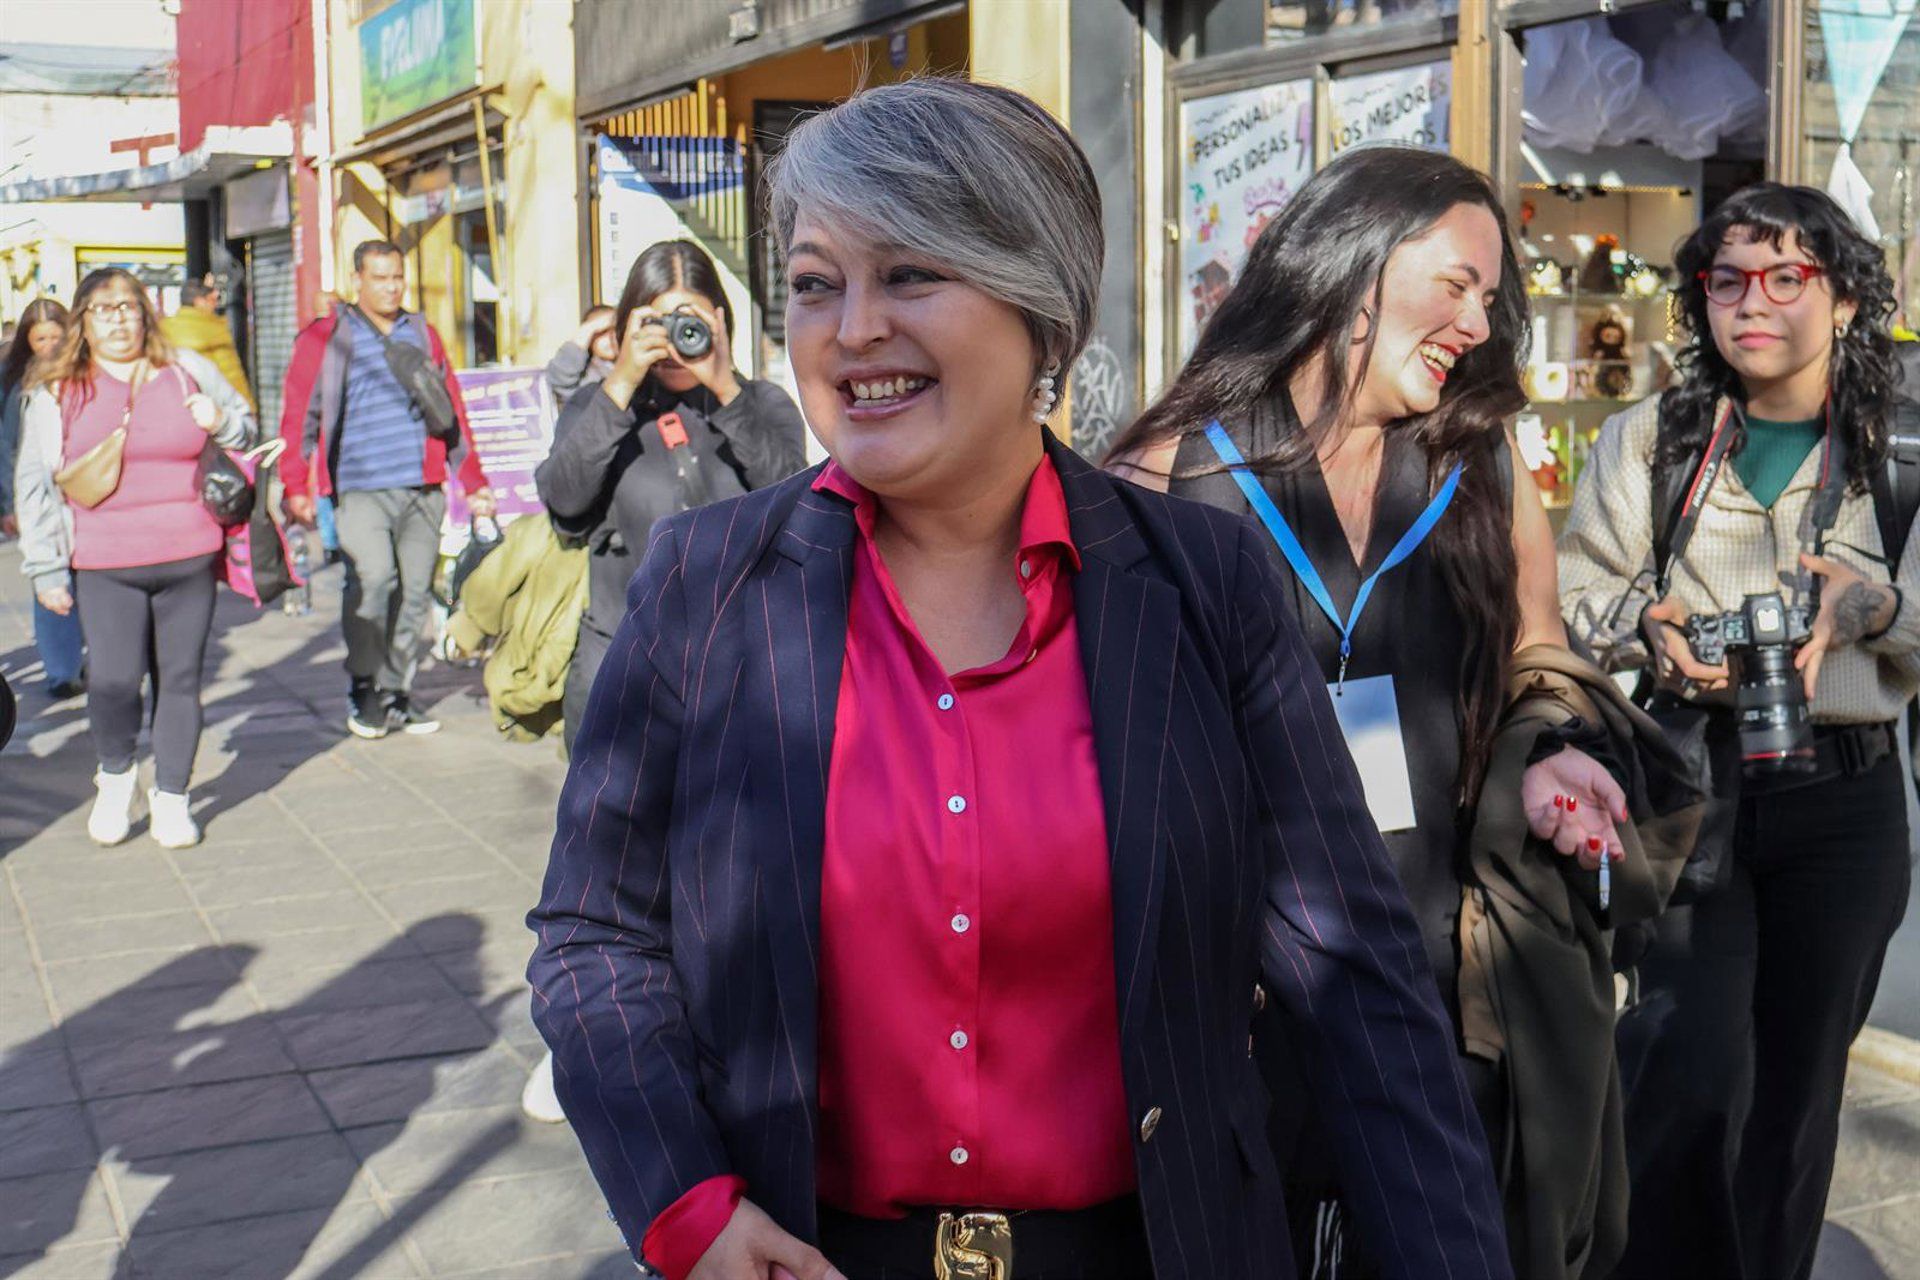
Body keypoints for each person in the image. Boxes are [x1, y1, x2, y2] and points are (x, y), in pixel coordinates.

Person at [528, 79, 1509, 1280]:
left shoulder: (1202, 585)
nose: (853, 329)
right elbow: (596, 930)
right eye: (817, 283)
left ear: (1043, 312)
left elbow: (1358, 975)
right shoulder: (707, 582)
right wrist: (686, 1201)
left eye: (911, 275)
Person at [1106, 146, 1657, 1279]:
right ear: (1351, 260)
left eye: (1489, 296)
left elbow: (1535, 645)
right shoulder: (1169, 474)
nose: (1477, 321)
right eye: (1455, 283)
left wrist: (1550, 748)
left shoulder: (1478, 462)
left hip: (1435, 980)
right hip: (1235, 1002)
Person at [1559, 183, 1916, 1280]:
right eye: (1726, 280)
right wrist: (1644, 625)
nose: (1751, 302)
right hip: (1692, 784)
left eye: (1785, 277)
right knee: (1684, 1068)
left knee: (1799, 1093)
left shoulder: (1898, 452)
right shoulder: (1653, 439)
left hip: (1843, 800)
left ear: (1843, 299)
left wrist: (1873, 609)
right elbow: (1577, 590)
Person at [13, 267, 256, 848]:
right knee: (114, 681)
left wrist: (221, 421)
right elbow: (34, 483)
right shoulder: (57, 391)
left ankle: (172, 796)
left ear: (146, 314)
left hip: (189, 557)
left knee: (180, 681)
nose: (118, 319)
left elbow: (247, 431)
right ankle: (117, 777)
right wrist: (45, 568)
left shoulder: (186, 370)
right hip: (104, 564)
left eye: (128, 306)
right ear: (83, 321)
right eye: (103, 309)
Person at [534, 238, 806, 752]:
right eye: (659, 322)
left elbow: (796, 507)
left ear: (720, 321)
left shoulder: (760, 403)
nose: (676, 338)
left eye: (692, 320)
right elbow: (564, 502)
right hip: (621, 671)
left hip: (741, 676)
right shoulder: (598, 405)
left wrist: (726, 392)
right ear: (629, 326)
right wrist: (620, 384)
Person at [279, 240, 495, 739]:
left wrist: (473, 482)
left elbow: (452, 412)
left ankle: (396, 690)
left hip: (423, 486)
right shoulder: (326, 337)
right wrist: (295, 485)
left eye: (397, 277)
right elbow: (299, 414)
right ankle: (364, 683)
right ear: (357, 279)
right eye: (380, 278)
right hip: (359, 488)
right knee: (373, 580)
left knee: (415, 593)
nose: (391, 287)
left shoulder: (422, 333)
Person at [1, 299, 86, 699]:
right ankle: (62, 670)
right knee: (49, 576)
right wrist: (9, 503)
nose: (49, 346)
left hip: (82, 493)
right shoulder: (16, 383)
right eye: (40, 339)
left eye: (56, 336)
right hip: (37, 495)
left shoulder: (84, 373)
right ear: (27, 341)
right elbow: (7, 447)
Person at [160, 275, 254, 410]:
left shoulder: (165, 327)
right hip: (216, 407)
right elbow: (232, 375)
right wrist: (248, 408)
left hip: (179, 404)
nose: (215, 304)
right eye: (212, 300)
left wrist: (207, 289)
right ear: (199, 302)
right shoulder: (214, 328)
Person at [544, 304, 618, 408]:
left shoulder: (634, 366)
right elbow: (559, 379)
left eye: (616, 329)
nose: (611, 337)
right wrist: (592, 326)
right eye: (601, 332)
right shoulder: (587, 376)